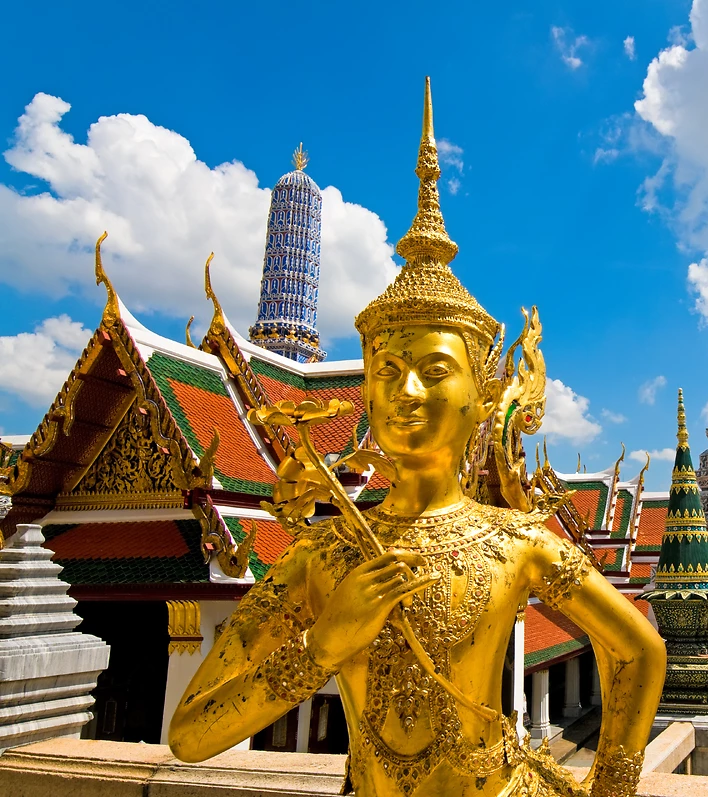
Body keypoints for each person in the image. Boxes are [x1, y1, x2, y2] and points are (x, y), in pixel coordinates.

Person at [168, 78, 665, 797]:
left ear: (481, 395)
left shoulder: (515, 541)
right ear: (365, 392)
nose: (404, 392)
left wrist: (611, 789)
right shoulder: (323, 553)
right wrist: (322, 647)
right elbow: (190, 734)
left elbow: (640, 649)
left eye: (433, 372)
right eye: (387, 371)